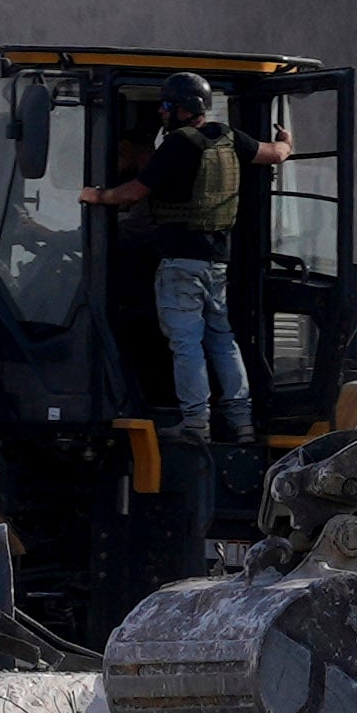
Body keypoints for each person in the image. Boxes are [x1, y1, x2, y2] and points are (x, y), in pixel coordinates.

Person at [86, 77, 248, 449]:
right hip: (215, 264)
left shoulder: (175, 148)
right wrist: (287, 143)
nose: (161, 112)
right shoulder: (227, 140)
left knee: (186, 343)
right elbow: (273, 153)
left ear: (184, 108)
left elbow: (135, 195)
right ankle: (242, 421)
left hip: (182, 266)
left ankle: (195, 422)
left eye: (166, 106)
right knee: (223, 341)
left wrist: (97, 196)